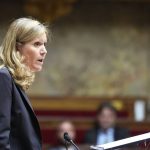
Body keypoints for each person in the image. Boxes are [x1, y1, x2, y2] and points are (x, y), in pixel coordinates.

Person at [0, 17, 49, 149]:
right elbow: (1, 139)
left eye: (44, 44)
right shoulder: (3, 77)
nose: (44, 50)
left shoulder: (16, 81)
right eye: (37, 44)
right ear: (17, 47)